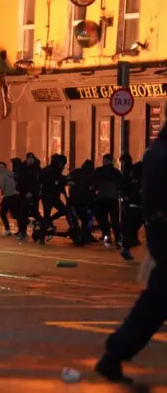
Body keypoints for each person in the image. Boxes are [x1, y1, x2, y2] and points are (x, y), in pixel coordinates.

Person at [94, 122, 167, 384]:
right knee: (156, 302)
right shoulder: (162, 154)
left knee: (156, 302)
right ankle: (114, 354)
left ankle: (114, 355)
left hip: (160, 231)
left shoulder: (157, 151)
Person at [92, 154, 123, 247]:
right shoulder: (116, 172)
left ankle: (107, 235)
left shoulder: (99, 171)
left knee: (103, 218)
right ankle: (118, 238)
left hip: (102, 197)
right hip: (113, 198)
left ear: (105, 160)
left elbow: (94, 184)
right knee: (115, 219)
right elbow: (121, 185)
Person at [120, 153, 143, 261]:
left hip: (133, 203)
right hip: (145, 204)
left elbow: (125, 185)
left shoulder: (132, 171)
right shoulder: (151, 171)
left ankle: (126, 247)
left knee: (132, 227)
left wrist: (126, 197)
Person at [67, 160, 96, 245]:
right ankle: (83, 235)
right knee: (86, 218)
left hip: (74, 200)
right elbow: (92, 187)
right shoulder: (91, 175)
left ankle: (79, 234)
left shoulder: (75, 172)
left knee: (76, 218)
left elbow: (67, 180)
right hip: (83, 201)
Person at [16, 153, 42, 241]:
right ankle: (22, 231)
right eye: (29, 158)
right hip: (24, 195)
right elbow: (20, 181)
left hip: (34, 195)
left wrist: (33, 193)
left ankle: (39, 230)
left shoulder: (37, 169)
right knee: (22, 214)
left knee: (33, 212)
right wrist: (24, 192)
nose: (30, 160)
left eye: (32, 158)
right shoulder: (23, 168)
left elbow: (38, 183)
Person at [0, 161, 20, 236]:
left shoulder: (1, 174)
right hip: (15, 196)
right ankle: (27, 223)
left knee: (2, 212)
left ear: (4, 168)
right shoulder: (11, 174)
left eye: (0, 167)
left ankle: (7, 230)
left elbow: (1, 184)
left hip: (8, 196)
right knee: (15, 214)